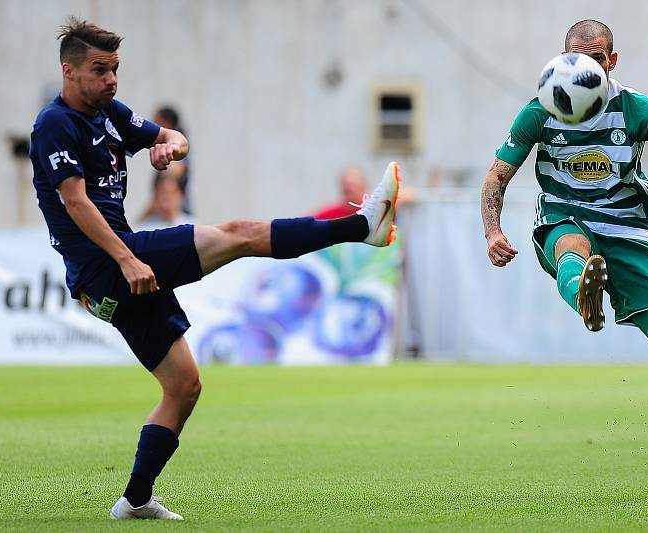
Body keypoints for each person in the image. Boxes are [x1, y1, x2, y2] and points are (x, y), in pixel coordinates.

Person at [29, 17, 399, 520]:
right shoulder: (54, 124)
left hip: (119, 271)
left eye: (116, 69)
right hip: (108, 264)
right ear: (68, 71)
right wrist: (127, 257)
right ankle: (361, 227)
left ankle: (135, 500)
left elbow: (176, 137)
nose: (112, 79)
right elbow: (75, 204)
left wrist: (169, 148)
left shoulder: (110, 114)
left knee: (184, 387)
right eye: (100, 70)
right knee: (238, 234)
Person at [480, 19, 648, 500]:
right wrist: (492, 231)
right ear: (564, 60)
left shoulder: (636, 109)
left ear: (613, 61)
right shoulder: (540, 112)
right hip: (564, 217)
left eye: (599, 56)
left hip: (627, 232)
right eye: (579, 56)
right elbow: (497, 177)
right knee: (571, 248)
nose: (590, 65)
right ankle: (583, 289)